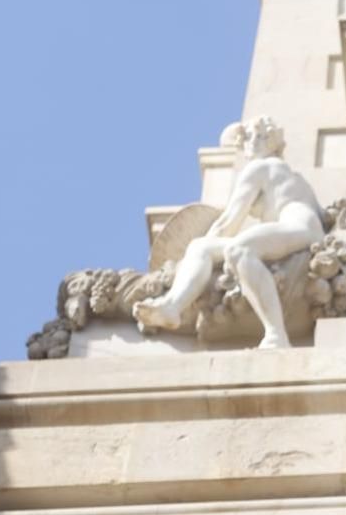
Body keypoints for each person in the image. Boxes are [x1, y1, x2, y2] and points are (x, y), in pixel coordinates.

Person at [134, 117, 325, 348]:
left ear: (272, 143)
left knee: (238, 249)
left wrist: (183, 264)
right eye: (248, 136)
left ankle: (276, 334)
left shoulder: (260, 167)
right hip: (299, 229)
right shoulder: (293, 178)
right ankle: (172, 305)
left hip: (299, 228)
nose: (252, 142)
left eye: (260, 136)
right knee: (201, 248)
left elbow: (228, 223)